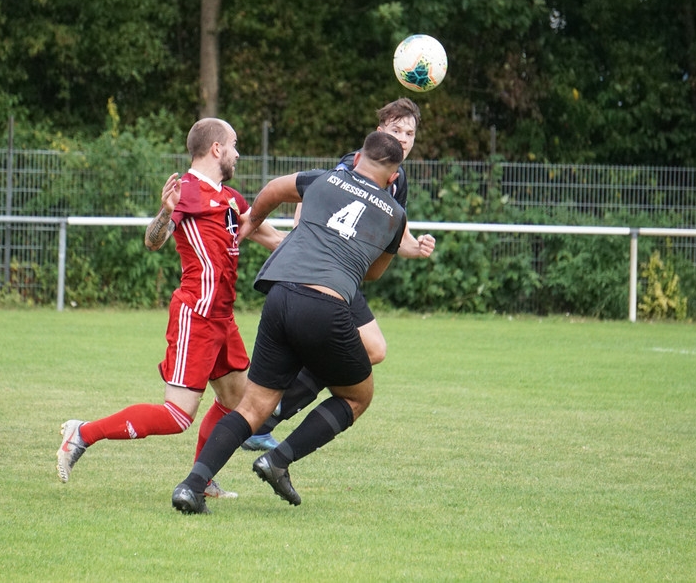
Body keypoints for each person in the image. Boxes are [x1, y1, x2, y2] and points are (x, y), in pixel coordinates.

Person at [172, 130, 408, 514]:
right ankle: (278, 460)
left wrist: (253, 221)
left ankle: (191, 486)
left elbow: (273, 189)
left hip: (281, 293)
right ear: (393, 177)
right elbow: (373, 272)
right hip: (327, 306)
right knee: (357, 396)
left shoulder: (323, 179)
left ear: (357, 159)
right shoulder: (395, 215)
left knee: (252, 407)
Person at [56, 118, 283, 498]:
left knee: (236, 402)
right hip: (196, 315)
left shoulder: (231, 198)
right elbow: (153, 240)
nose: (238, 153)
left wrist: (323, 247)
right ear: (216, 149)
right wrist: (165, 212)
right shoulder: (187, 191)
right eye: (234, 145)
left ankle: (202, 479)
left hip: (222, 318)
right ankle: (82, 433)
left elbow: (271, 237)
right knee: (177, 416)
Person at [242, 98, 435, 450]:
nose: (404, 138)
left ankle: (268, 419)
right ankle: (268, 418)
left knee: (374, 349)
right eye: (396, 130)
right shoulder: (354, 162)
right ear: (380, 131)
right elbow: (318, 189)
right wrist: (303, 232)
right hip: (324, 270)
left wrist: (416, 247)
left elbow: (396, 238)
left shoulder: (398, 179)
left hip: (341, 274)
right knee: (365, 350)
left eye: (410, 133)